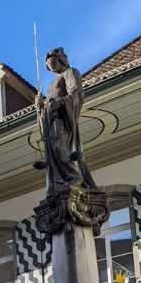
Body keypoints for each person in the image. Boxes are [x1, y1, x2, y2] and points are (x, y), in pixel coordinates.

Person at [35, 47, 98, 196]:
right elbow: (49, 104)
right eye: (49, 67)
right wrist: (40, 107)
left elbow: (76, 94)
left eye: (54, 64)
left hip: (62, 118)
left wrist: (60, 103)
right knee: (53, 151)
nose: (52, 68)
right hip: (51, 118)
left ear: (61, 60)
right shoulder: (51, 83)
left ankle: (73, 178)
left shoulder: (70, 73)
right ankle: (57, 183)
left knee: (60, 146)